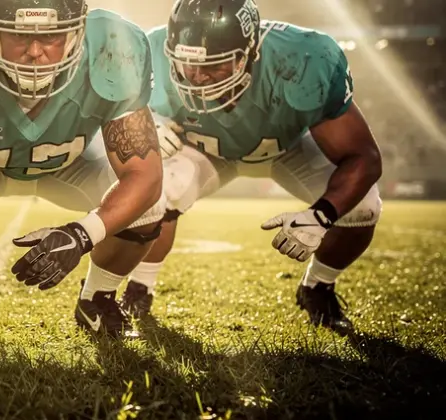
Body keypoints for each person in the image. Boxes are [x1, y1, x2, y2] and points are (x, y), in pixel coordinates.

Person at [0, 0, 167, 371]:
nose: (35, 51)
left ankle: (98, 299)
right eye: (19, 35)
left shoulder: (114, 49)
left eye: (52, 35)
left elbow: (145, 177)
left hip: (71, 166)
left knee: (151, 203)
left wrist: (81, 235)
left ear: (77, 31)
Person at [118, 0, 382, 336]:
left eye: (215, 65)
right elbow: (110, 113)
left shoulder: (303, 59)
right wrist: (143, 121)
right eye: (187, 63)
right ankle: (139, 288)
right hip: (205, 149)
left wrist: (321, 215)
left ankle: (317, 286)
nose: (197, 77)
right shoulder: (149, 51)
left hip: (286, 149)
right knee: (158, 190)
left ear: (250, 53)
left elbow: (365, 157)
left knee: (363, 207)